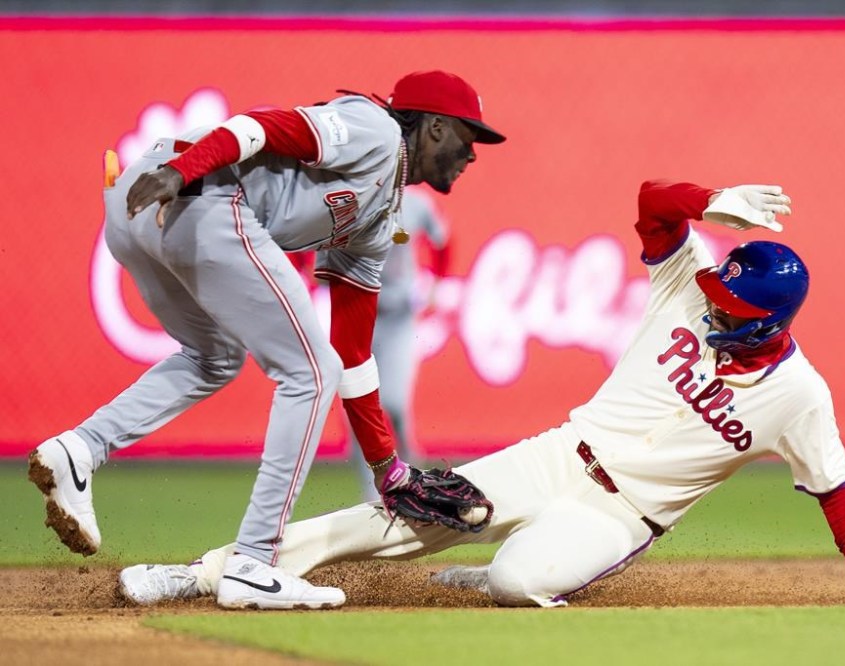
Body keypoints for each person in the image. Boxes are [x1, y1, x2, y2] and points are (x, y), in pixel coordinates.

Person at [118, 179, 845, 608]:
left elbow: (834, 484)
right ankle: (205, 574)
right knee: (391, 519)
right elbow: (655, 203)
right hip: (555, 456)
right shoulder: (691, 287)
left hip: (619, 516)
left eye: (736, 308)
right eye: (721, 293)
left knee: (517, 586)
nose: (718, 305)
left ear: (774, 321)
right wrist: (711, 204)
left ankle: (511, 566)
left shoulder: (798, 394)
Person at [28, 70, 505, 610]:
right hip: (192, 190)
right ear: (436, 127)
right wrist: (183, 170)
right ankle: (254, 562)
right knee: (308, 373)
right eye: (470, 139)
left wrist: (388, 471)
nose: (472, 155)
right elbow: (263, 126)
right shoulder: (375, 129)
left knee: (215, 358)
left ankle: (80, 449)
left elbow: (352, 355)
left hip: (138, 206)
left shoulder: (378, 220)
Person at [350, 185, 451, 500]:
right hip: (355, 313)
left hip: (398, 316)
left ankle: (410, 467)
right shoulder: (349, 198)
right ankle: (372, 494)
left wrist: (437, 280)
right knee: (358, 404)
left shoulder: (415, 204)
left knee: (393, 403)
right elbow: (305, 242)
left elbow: (441, 240)